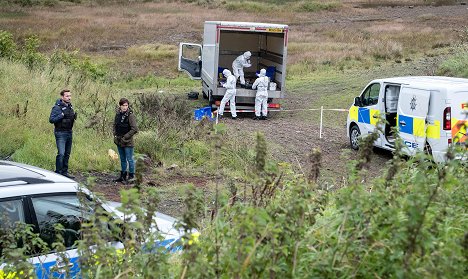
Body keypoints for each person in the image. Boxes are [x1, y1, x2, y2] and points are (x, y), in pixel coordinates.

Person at [49, 89, 77, 178]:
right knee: (61, 153)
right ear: (62, 97)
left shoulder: (70, 106)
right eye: (67, 96)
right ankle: (58, 172)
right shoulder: (57, 108)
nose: (69, 98)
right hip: (60, 133)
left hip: (69, 132)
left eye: (70, 96)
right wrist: (61, 116)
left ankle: (64, 172)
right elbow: (51, 120)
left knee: (67, 154)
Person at [113, 98, 138, 182]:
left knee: (130, 159)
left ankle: (131, 177)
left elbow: (134, 129)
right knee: (122, 159)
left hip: (128, 141)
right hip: (119, 140)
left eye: (126, 105)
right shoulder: (118, 114)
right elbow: (115, 125)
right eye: (123, 105)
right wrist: (115, 135)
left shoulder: (131, 115)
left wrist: (125, 137)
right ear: (120, 106)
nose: (125, 107)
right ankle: (123, 176)